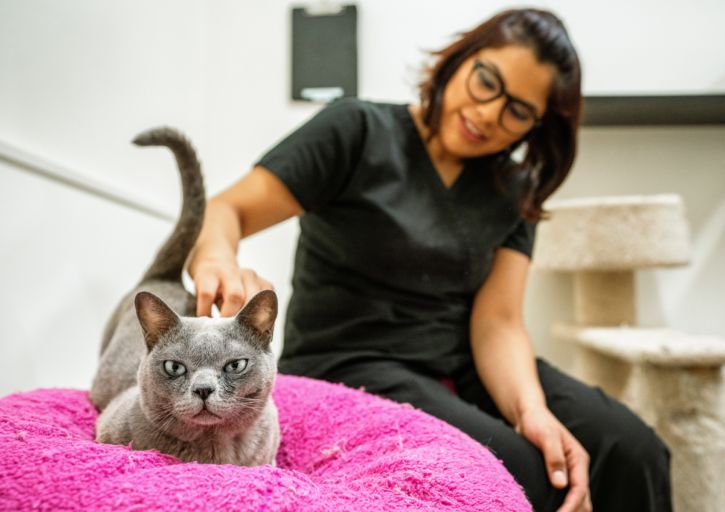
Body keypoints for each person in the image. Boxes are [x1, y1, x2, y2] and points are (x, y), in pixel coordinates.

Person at [187, 8, 672, 512]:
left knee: (632, 449)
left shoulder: (514, 188)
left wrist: (532, 410)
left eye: (518, 111)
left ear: (535, 124)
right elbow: (228, 209)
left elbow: (499, 322)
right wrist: (218, 257)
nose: (489, 114)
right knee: (527, 472)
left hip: (458, 362)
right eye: (487, 81)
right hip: (348, 358)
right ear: (461, 60)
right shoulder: (356, 129)